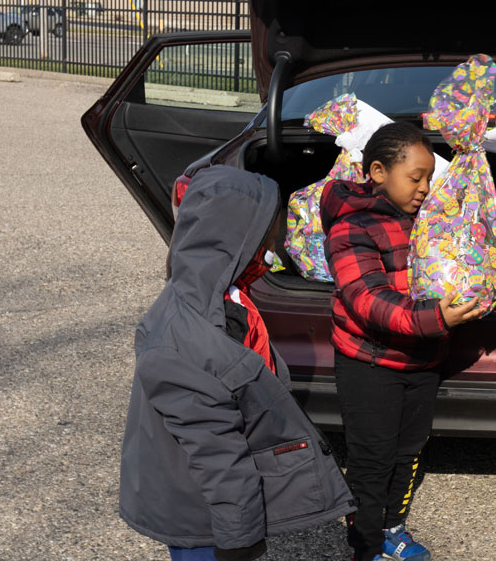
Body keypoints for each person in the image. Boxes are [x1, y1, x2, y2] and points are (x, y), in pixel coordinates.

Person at [119, 165, 354, 561]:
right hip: (201, 520)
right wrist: (238, 539)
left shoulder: (223, 295)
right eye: (271, 232)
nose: (278, 241)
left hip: (213, 505)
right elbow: (217, 454)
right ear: (236, 237)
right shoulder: (186, 340)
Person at [322, 121, 496, 561]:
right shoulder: (350, 228)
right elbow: (369, 301)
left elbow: (457, 265)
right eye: (415, 177)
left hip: (423, 361)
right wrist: (438, 317)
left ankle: (392, 529)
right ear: (378, 171)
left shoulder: (429, 221)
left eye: (430, 177)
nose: (425, 187)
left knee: (409, 453)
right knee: (372, 460)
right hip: (370, 365)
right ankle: (365, 548)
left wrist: (491, 286)